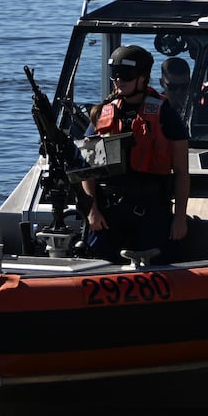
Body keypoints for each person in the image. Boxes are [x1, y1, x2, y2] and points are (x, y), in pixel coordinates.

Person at [81, 44, 190, 264]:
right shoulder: (103, 113)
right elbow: (87, 171)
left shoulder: (165, 114)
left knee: (160, 260)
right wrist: (92, 210)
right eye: (116, 75)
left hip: (151, 211)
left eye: (127, 75)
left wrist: (179, 218)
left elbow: (181, 172)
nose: (119, 81)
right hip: (109, 212)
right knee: (97, 258)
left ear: (142, 78)